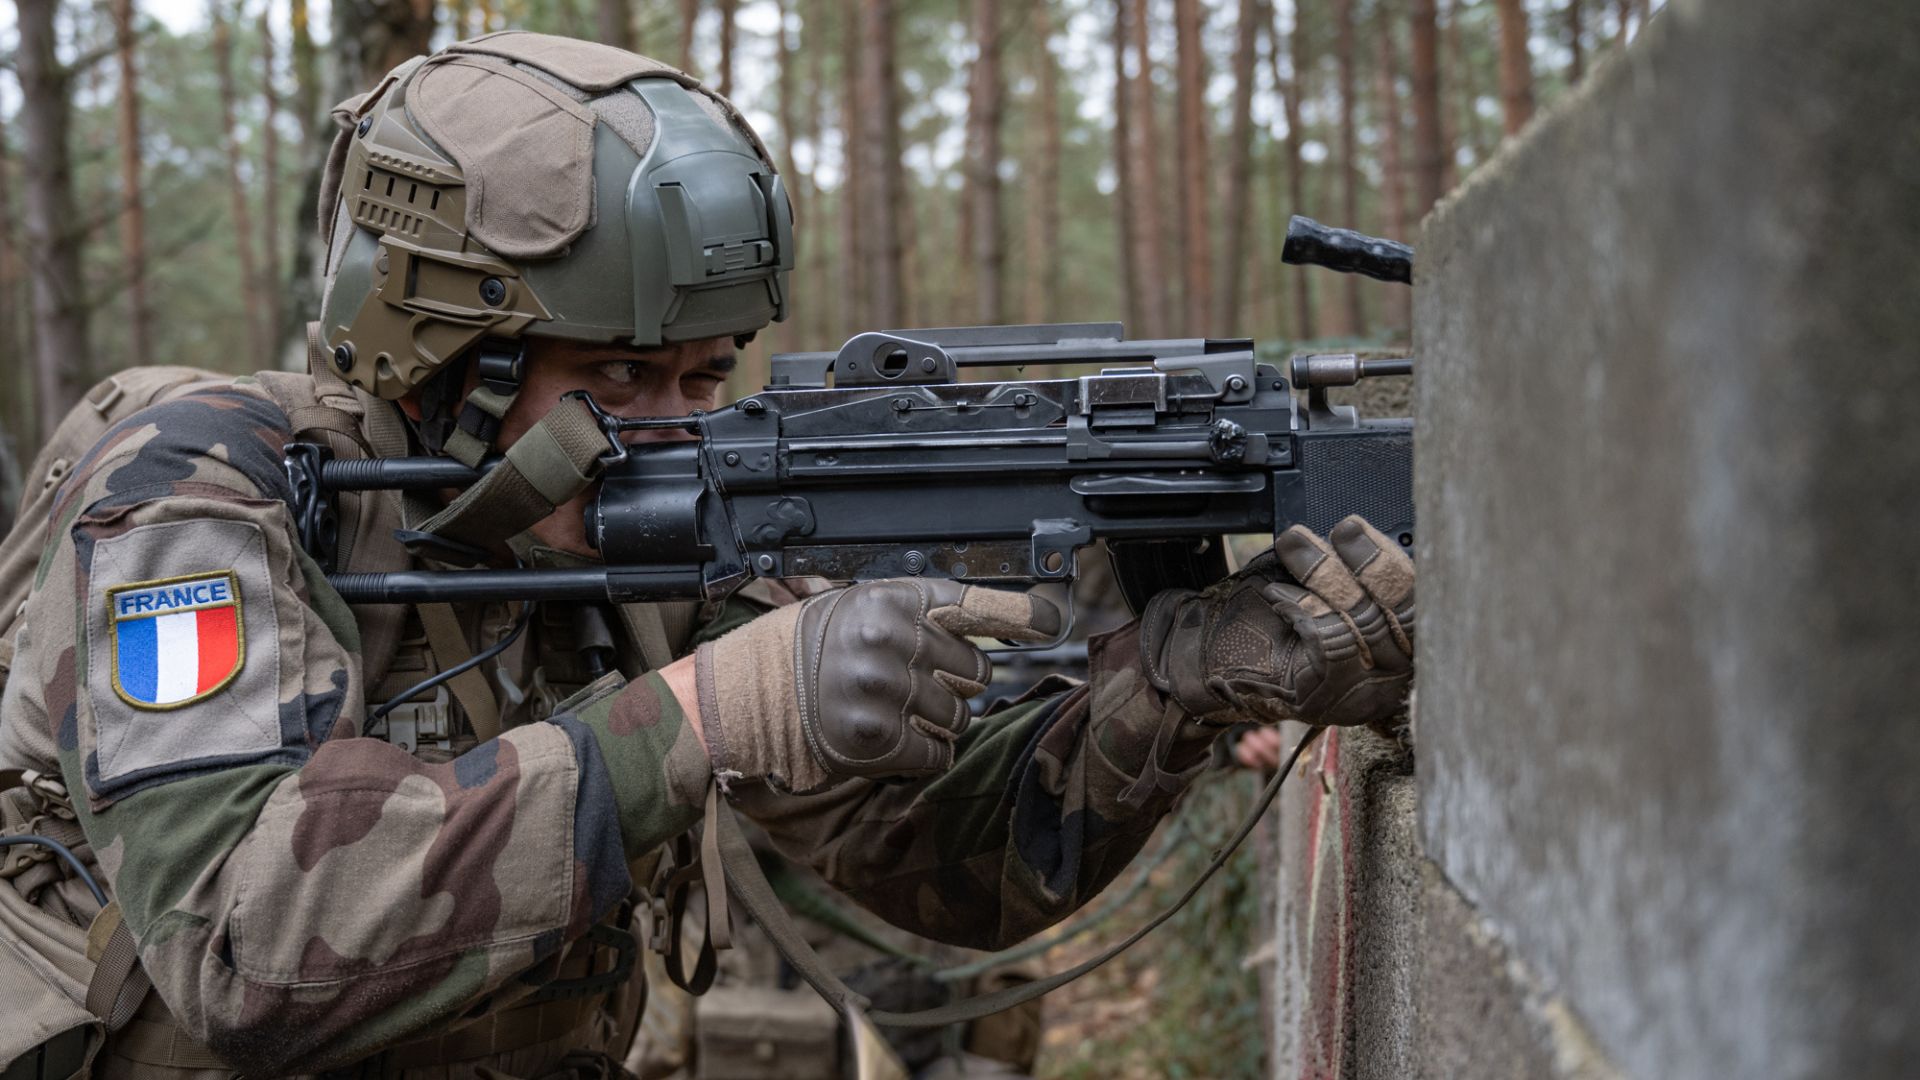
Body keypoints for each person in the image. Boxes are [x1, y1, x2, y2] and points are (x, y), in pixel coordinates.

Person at [0, 32, 1416, 1080]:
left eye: (706, 376)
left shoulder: (649, 545)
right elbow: (249, 948)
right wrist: (710, 714)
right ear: (451, 365)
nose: (678, 427)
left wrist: (1173, 685)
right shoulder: (195, 493)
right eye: (620, 382)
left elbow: (949, 871)